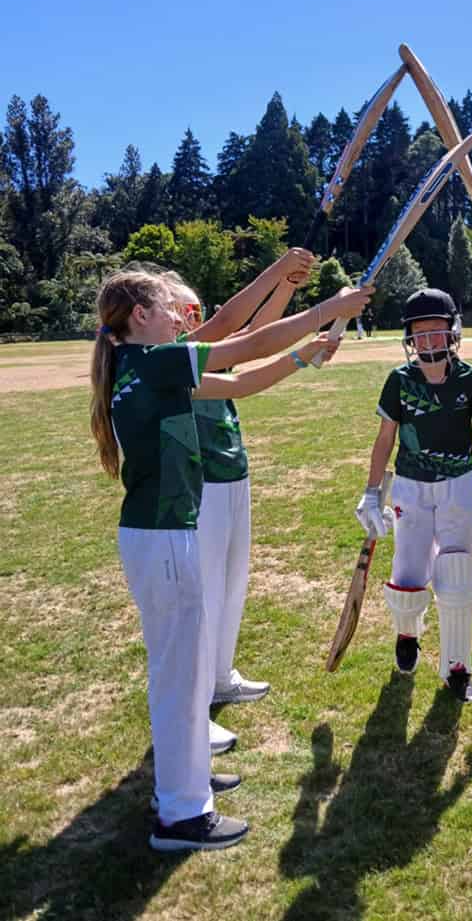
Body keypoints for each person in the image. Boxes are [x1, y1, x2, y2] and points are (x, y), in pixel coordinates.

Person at [89, 257, 371, 851]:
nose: (178, 318)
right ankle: (181, 815)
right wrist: (328, 310)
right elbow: (243, 339)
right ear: (141, 316)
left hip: (162, 534)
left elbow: (243, 380)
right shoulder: (154, 360)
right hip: (162, 538)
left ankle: (185, 778)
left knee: (184, 676)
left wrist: (306, 352)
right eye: (168, 309)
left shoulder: (145, 365)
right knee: (179, 678)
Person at [168, 256, 324, 726]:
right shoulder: (174, 357)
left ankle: (221, 676)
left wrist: (285, 288)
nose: (194, 318)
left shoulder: (200, 349)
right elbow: (237, 335)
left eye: (196, 310)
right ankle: (197, 699)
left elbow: (250, 341)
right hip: (204, 483)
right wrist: (278, 277)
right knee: (209, 590)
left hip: (235, 476)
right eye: (186, 310)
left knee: (234, 583)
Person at [355, 288, 472, 703]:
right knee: (408, 569)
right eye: (420, 334)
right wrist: (371, 493)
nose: (429, 342)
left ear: (453, 332)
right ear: (410, 338)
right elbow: (384, 438)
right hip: (411, 485)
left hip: (459, 483)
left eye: (437, 332)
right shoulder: (399, 381)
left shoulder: (471, 380)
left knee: (457, 572)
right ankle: (408, 634)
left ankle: (457, 666)